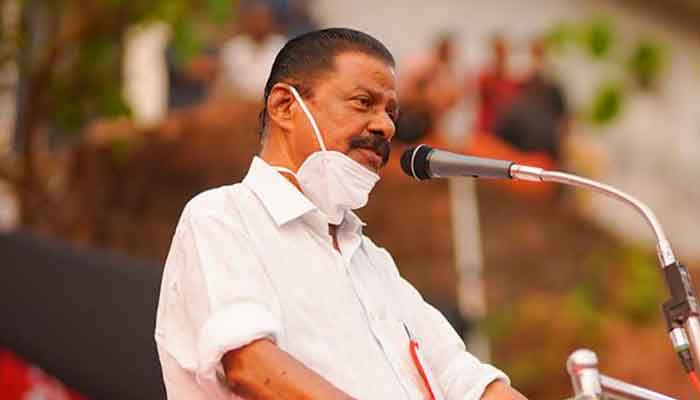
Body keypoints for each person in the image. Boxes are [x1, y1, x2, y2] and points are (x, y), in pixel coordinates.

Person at [155, 28, 526, 399]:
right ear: (284, 106)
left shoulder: (372, 261)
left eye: (391, 112)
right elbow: (252, 367)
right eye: (363, 102)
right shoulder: (222, 218)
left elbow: (464, 377)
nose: (386, 126)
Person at [216, 1, 286, 100]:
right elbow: (223, 84)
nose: (258, 23)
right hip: (238, 102)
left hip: (271, 102)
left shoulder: (281, 46)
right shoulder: (233, 48)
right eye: (254, 19)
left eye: (262, 19)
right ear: (246, 21)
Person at [474, 34, 519, 135]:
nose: (502, 54)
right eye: (499, 51)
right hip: (488, 126)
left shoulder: (511, 78)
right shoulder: (486, 76)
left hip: (505, 126)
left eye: (503, 51)